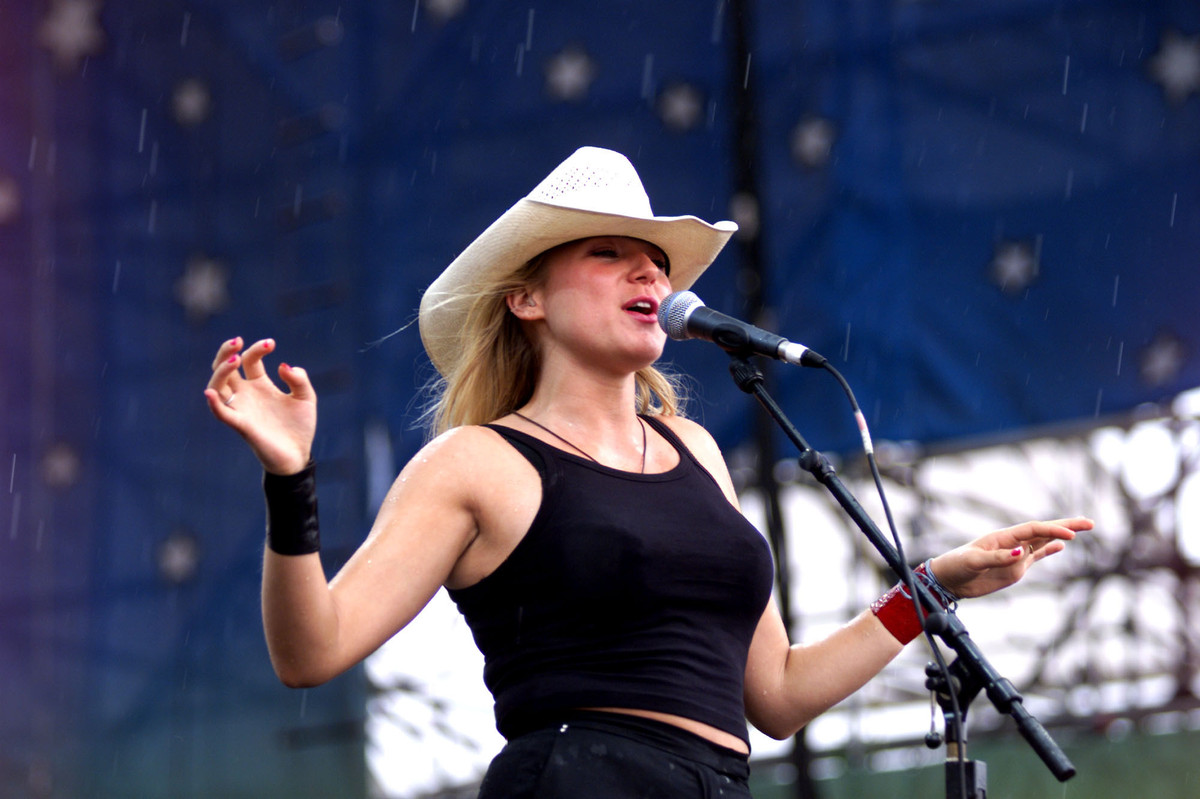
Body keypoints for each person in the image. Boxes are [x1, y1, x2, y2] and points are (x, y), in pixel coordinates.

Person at [204, 146, 1092, 797]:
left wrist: (932, 586)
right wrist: (292, 479)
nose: (649, 270)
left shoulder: (695, 451)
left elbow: (776, 695)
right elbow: (309, 650)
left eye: (658, 259)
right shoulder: (477, 461)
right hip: (583, 779)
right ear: (527, 297)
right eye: (608, 251)